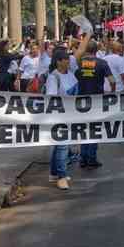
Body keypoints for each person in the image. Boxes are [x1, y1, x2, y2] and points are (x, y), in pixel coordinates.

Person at [74, 35, 115, 169]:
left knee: (83, 129)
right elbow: (112, 81)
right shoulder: (102, 63)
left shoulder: (78, 62)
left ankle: (83, 158)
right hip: (97, 100)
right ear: (97, 50)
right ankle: (91, 158)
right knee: (93, 129)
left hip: (80, 100)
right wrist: (112, 92)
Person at [45, 49, 79, 190]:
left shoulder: (70, 73)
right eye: (66, 59)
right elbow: (51, 97)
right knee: (63, 145)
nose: (69, 61)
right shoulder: (53, 77)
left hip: (71, 115)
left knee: (59, 145)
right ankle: (61, 176)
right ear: (59, 61)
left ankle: (54, 173)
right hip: (60, 116)